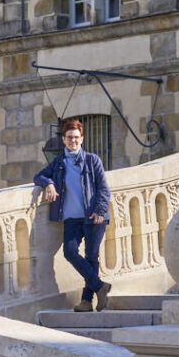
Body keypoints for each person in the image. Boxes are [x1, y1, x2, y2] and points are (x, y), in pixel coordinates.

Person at [33, 119, 112, 312]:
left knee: (91, 256)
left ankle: (86, 301)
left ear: (82, 139)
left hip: (93, 216)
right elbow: (38, 176)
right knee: (70, 252)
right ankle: (100, 286)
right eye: (69, 137)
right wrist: (49, 184)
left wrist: (100, 210)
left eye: (76, 137)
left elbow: (103, 188)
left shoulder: (92, 160)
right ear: (64, 139)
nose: (73, 141)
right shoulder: (59, 163)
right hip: (71, 219)